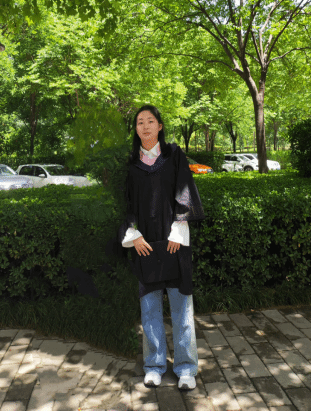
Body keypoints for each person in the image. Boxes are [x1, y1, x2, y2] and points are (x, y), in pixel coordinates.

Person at [117, 105, 205, 391]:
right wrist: (133, 234)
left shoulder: (174, 156)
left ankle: (186, 368)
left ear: (160, 126)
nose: (145, 126)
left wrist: (178, 230)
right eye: (139, 122)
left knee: (182, 310)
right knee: (150, 309)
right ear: (135, 129)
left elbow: (184, 191)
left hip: (174, 242)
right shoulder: (132, 164)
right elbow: (126, 203)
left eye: (150, 121)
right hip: (145, 244)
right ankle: (154, 366)